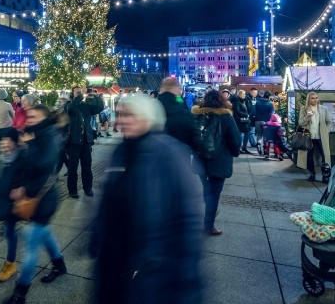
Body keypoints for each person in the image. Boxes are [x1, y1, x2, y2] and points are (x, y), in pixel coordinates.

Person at [91, 94, 203, 303]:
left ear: (147, 118)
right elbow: (107, 202)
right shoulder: (121, 150)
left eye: (129, 115)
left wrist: (184, 281)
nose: (121, 119)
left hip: (153, 269)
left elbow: (187, 221)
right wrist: (97, 237)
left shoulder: (170, 154)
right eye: (121, 114)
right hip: (115, 260)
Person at [5, 105, 68, 303]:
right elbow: (23, 166)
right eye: (29, 116)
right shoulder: (34, 133)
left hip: (43, 198)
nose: (29, 119)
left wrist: (28, 147)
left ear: (45, 118)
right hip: (34, 196)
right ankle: (59, 264)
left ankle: (20, 293)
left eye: (34, 116)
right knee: (44, 232)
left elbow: (43, 164)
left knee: (30, 247)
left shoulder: (49, 135)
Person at [192, 90, 242, 236]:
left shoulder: (196, 114)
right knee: (214, 194)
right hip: (219, 159)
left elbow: (191, 135)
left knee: (204, 190)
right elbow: (235, 139)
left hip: (200, 158)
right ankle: (209, 226)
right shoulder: (225, 116)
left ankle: (198, 217)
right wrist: (234, 152)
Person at [64, 86, 104, 198]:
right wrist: (79, 96)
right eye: (77, 91)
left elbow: (99, 108)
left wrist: (97, 96)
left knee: (87, 166)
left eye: (81, 91)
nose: (80, 93)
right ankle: (72, 190)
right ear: (73, 94)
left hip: (86, 141)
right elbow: (70, 109)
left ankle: (88, 188)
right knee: (72, 168)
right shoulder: (69, 105)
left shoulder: (85, 106)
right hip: (73, 142)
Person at [0, 127, 22, 283]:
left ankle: (10, 264)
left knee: (11, 233)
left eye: (7, 141)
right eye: (2, 141)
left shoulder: (21, 157)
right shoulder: (5, 156)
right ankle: (57, 259)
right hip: (7, 203)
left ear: (14, 141)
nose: (3, 144)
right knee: (9, 231)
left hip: (19, 204)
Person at [296, 92, 332, 183]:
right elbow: (301, 123)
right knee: (309, 156)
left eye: (316, 98)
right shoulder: (304, 109)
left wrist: (326, 131)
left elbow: (329, 122)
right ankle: (312, 174)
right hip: (309, 137)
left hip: (321, 136)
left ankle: (325, 175)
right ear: (309, 99)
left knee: (325, 155)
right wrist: (307, 117)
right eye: (312, 98)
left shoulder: (324, 109)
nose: (315, 100)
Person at [156, 76, 198, 152]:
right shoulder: (185, 114)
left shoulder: (151, 110)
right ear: (177, 89)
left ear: (162, 89)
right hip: (180, 158)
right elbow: (196, 141)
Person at [231, 89, 252, 154]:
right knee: (240, 134)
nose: (245, 95)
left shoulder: (245, 101)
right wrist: (246, 114)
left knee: (247, 133)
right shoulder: (236, 101)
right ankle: (239, 148)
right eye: (243, 94)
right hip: (240, 120)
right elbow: (237, 111)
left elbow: (248, 109)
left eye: (245, 94)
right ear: (240, 94)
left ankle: (244, 148)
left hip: (245, 120)